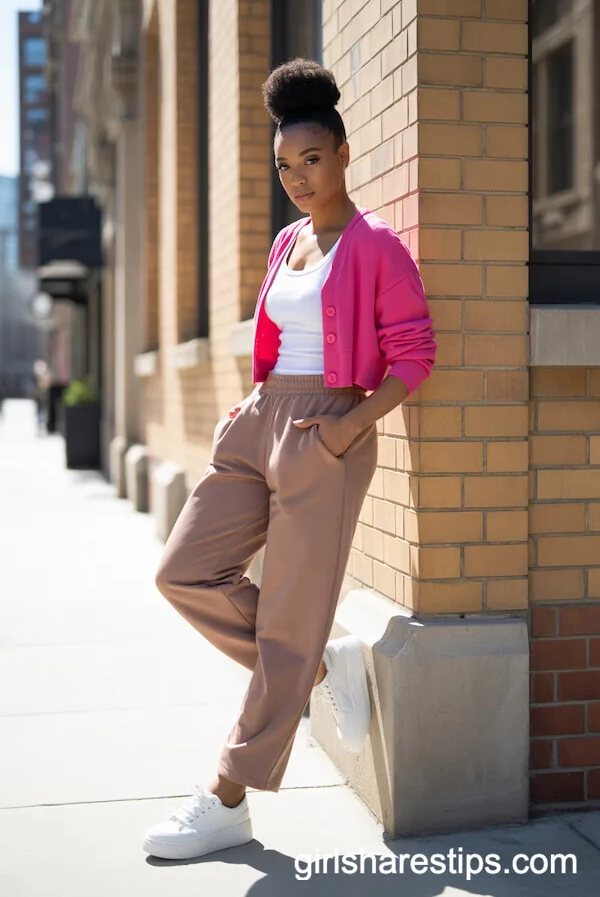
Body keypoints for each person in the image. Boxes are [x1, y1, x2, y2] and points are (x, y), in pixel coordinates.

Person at [143, 58, 437, 861]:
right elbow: (280, 335)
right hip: (262, 421)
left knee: (286, 624)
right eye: (284, 166)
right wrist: (252, 400)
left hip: (326, 432)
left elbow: (413, 356)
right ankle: (312, 662)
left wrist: (345, 431)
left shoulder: (376, 245)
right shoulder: (286, 241)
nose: (298, 178)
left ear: (343, 154)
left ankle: (228, 795)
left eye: (311, 159)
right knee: (183, 572)